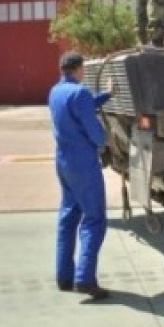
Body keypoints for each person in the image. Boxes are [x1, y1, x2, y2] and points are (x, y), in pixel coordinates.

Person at [47, 51, 112, 300]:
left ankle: (64, 276)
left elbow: (79, 106)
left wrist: (106, 95)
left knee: (68, 216)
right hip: (83, 162)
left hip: (63, 161)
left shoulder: (55, 91)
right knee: (94, 219)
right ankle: (85, 278)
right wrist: (105, 142)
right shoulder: (80, 93)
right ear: (78, 69)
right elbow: (94, 131)